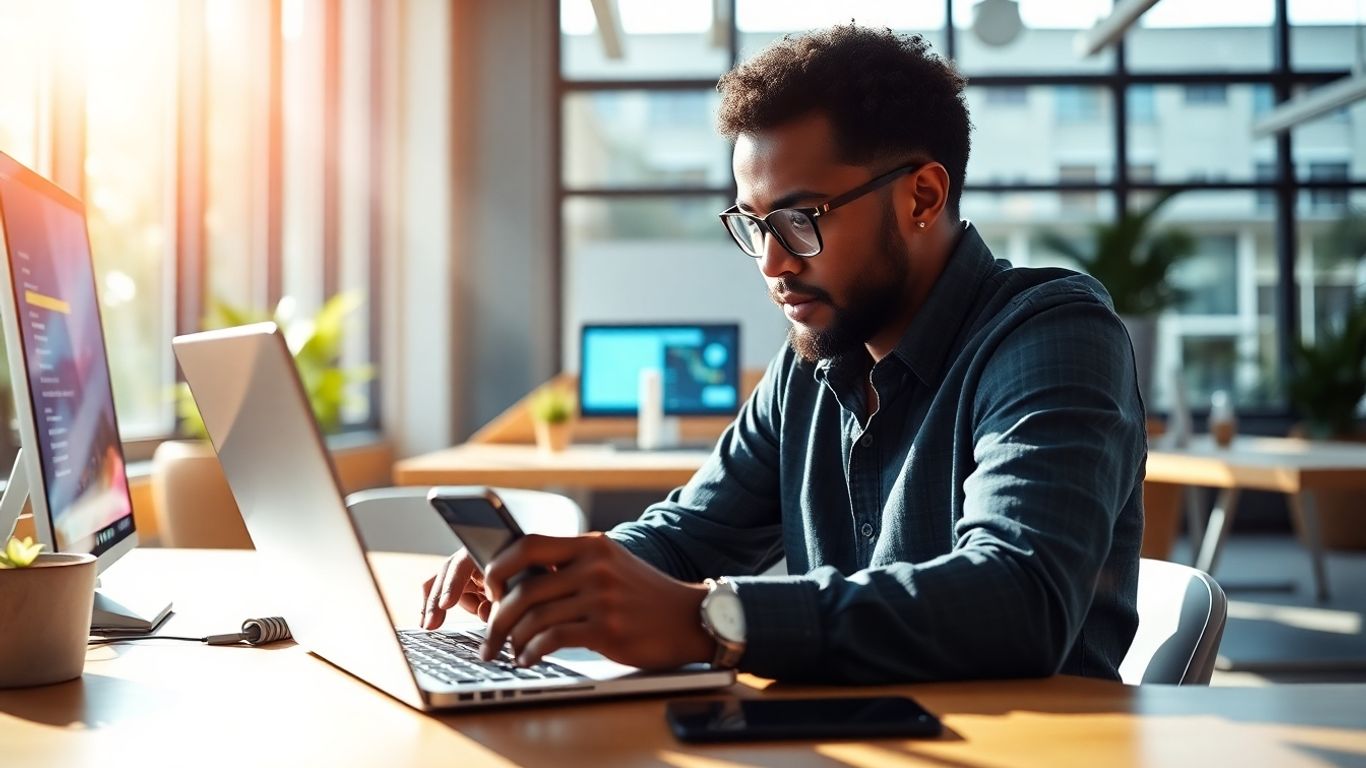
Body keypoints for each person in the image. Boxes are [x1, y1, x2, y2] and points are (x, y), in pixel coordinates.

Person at [421, 24, 1145, 683]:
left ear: (922, 197)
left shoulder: (1053, 334)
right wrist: (567, 570)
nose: (771, 263)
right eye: (753, 223)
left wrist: (709, 619)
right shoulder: (810, 364)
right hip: (847, 743)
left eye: (800, 220)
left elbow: (1015, 599)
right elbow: (692, 532)